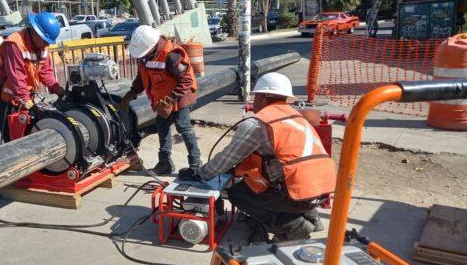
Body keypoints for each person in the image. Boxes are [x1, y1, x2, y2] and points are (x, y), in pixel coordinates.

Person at [188, 72, 336, 242]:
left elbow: (226, 159)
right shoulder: (297, 117)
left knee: (238, 193)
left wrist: (200, 174)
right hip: (323, 190)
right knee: (288, 178)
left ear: (261, 97)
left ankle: (293, 226)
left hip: (298, 195)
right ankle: (311, 218)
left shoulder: (257, 124)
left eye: (255, 96)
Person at [120, 25, 201, 175]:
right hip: (162, 100)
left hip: (180, 97)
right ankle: (165, 164)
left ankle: (196, 165)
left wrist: (171, 99)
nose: (142, 56)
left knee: (184, 128)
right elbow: (142, 77)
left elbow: (187, 79)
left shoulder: (172, 55)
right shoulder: (147, 56)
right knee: (162, 127)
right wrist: (132, 93)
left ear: (152, 46)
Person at [0, 12, 66, 142]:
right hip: (7, 98)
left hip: (24, 96)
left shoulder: (42, 46)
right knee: (12, 138)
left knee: (28, 134)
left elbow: (45, 71)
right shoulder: (14, 44)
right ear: (36, 33)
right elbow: (17, 78)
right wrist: (29, 103)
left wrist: (56, 88)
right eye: (45, 41)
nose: (47, 45)